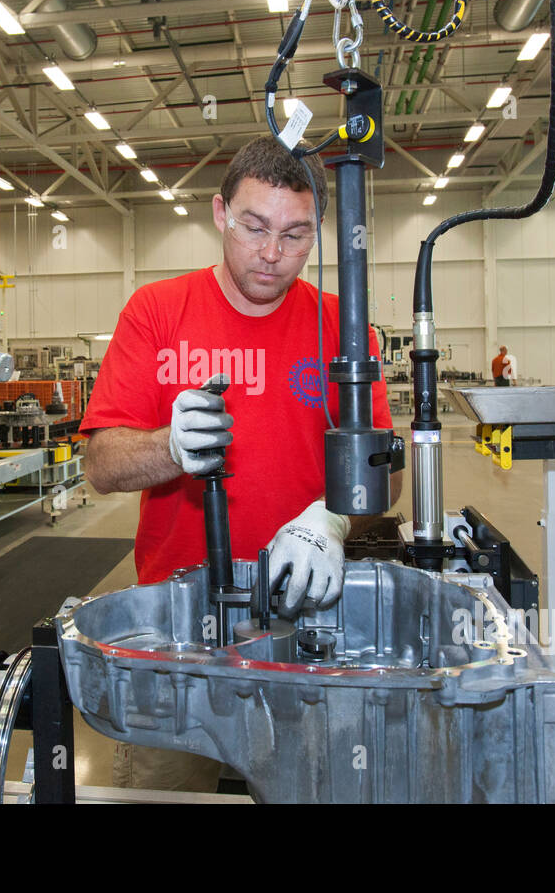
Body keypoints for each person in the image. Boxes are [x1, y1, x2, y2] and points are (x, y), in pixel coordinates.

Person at [80, 136, 398, 792]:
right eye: (255, 227)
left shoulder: (345, 328)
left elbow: (387, 469)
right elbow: (101, 463)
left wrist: (332, 523)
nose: (273, 254)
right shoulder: (156, 314)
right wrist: (166, 447)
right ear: (220, 212)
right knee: (161, 790)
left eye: (296, 235)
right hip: (175, 637)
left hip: (308, 628)